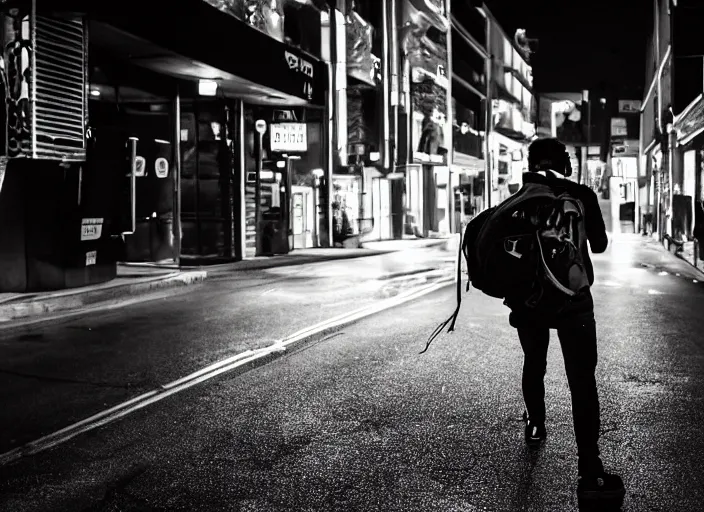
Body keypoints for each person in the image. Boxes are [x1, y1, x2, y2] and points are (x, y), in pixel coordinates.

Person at [505, 138, 625, 502]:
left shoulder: (518, 198)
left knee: (534, 362)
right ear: (562, 162)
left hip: (531, 300)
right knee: (582, 382)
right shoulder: (582, 195)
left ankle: (537, 424)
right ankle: (590, 469)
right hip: (574, 302)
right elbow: (601, 245)